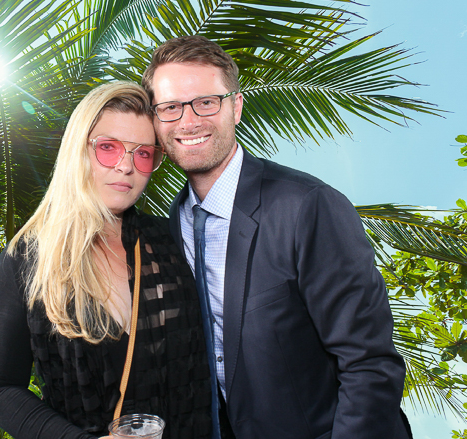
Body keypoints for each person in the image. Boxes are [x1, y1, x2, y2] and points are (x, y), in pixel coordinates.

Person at [141, 35, 412, 439]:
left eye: (206, 102)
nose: (188, 120)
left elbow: (369, 364)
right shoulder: (170, 228)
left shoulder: (306, 205)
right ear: (156, 120)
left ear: (236, 106)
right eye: (170, 107)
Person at [0, 81, 213, 439]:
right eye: (107, 147)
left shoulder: (175, 241)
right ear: (78, 150)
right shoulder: (26, 259)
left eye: (143, 153)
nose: (125, 166)